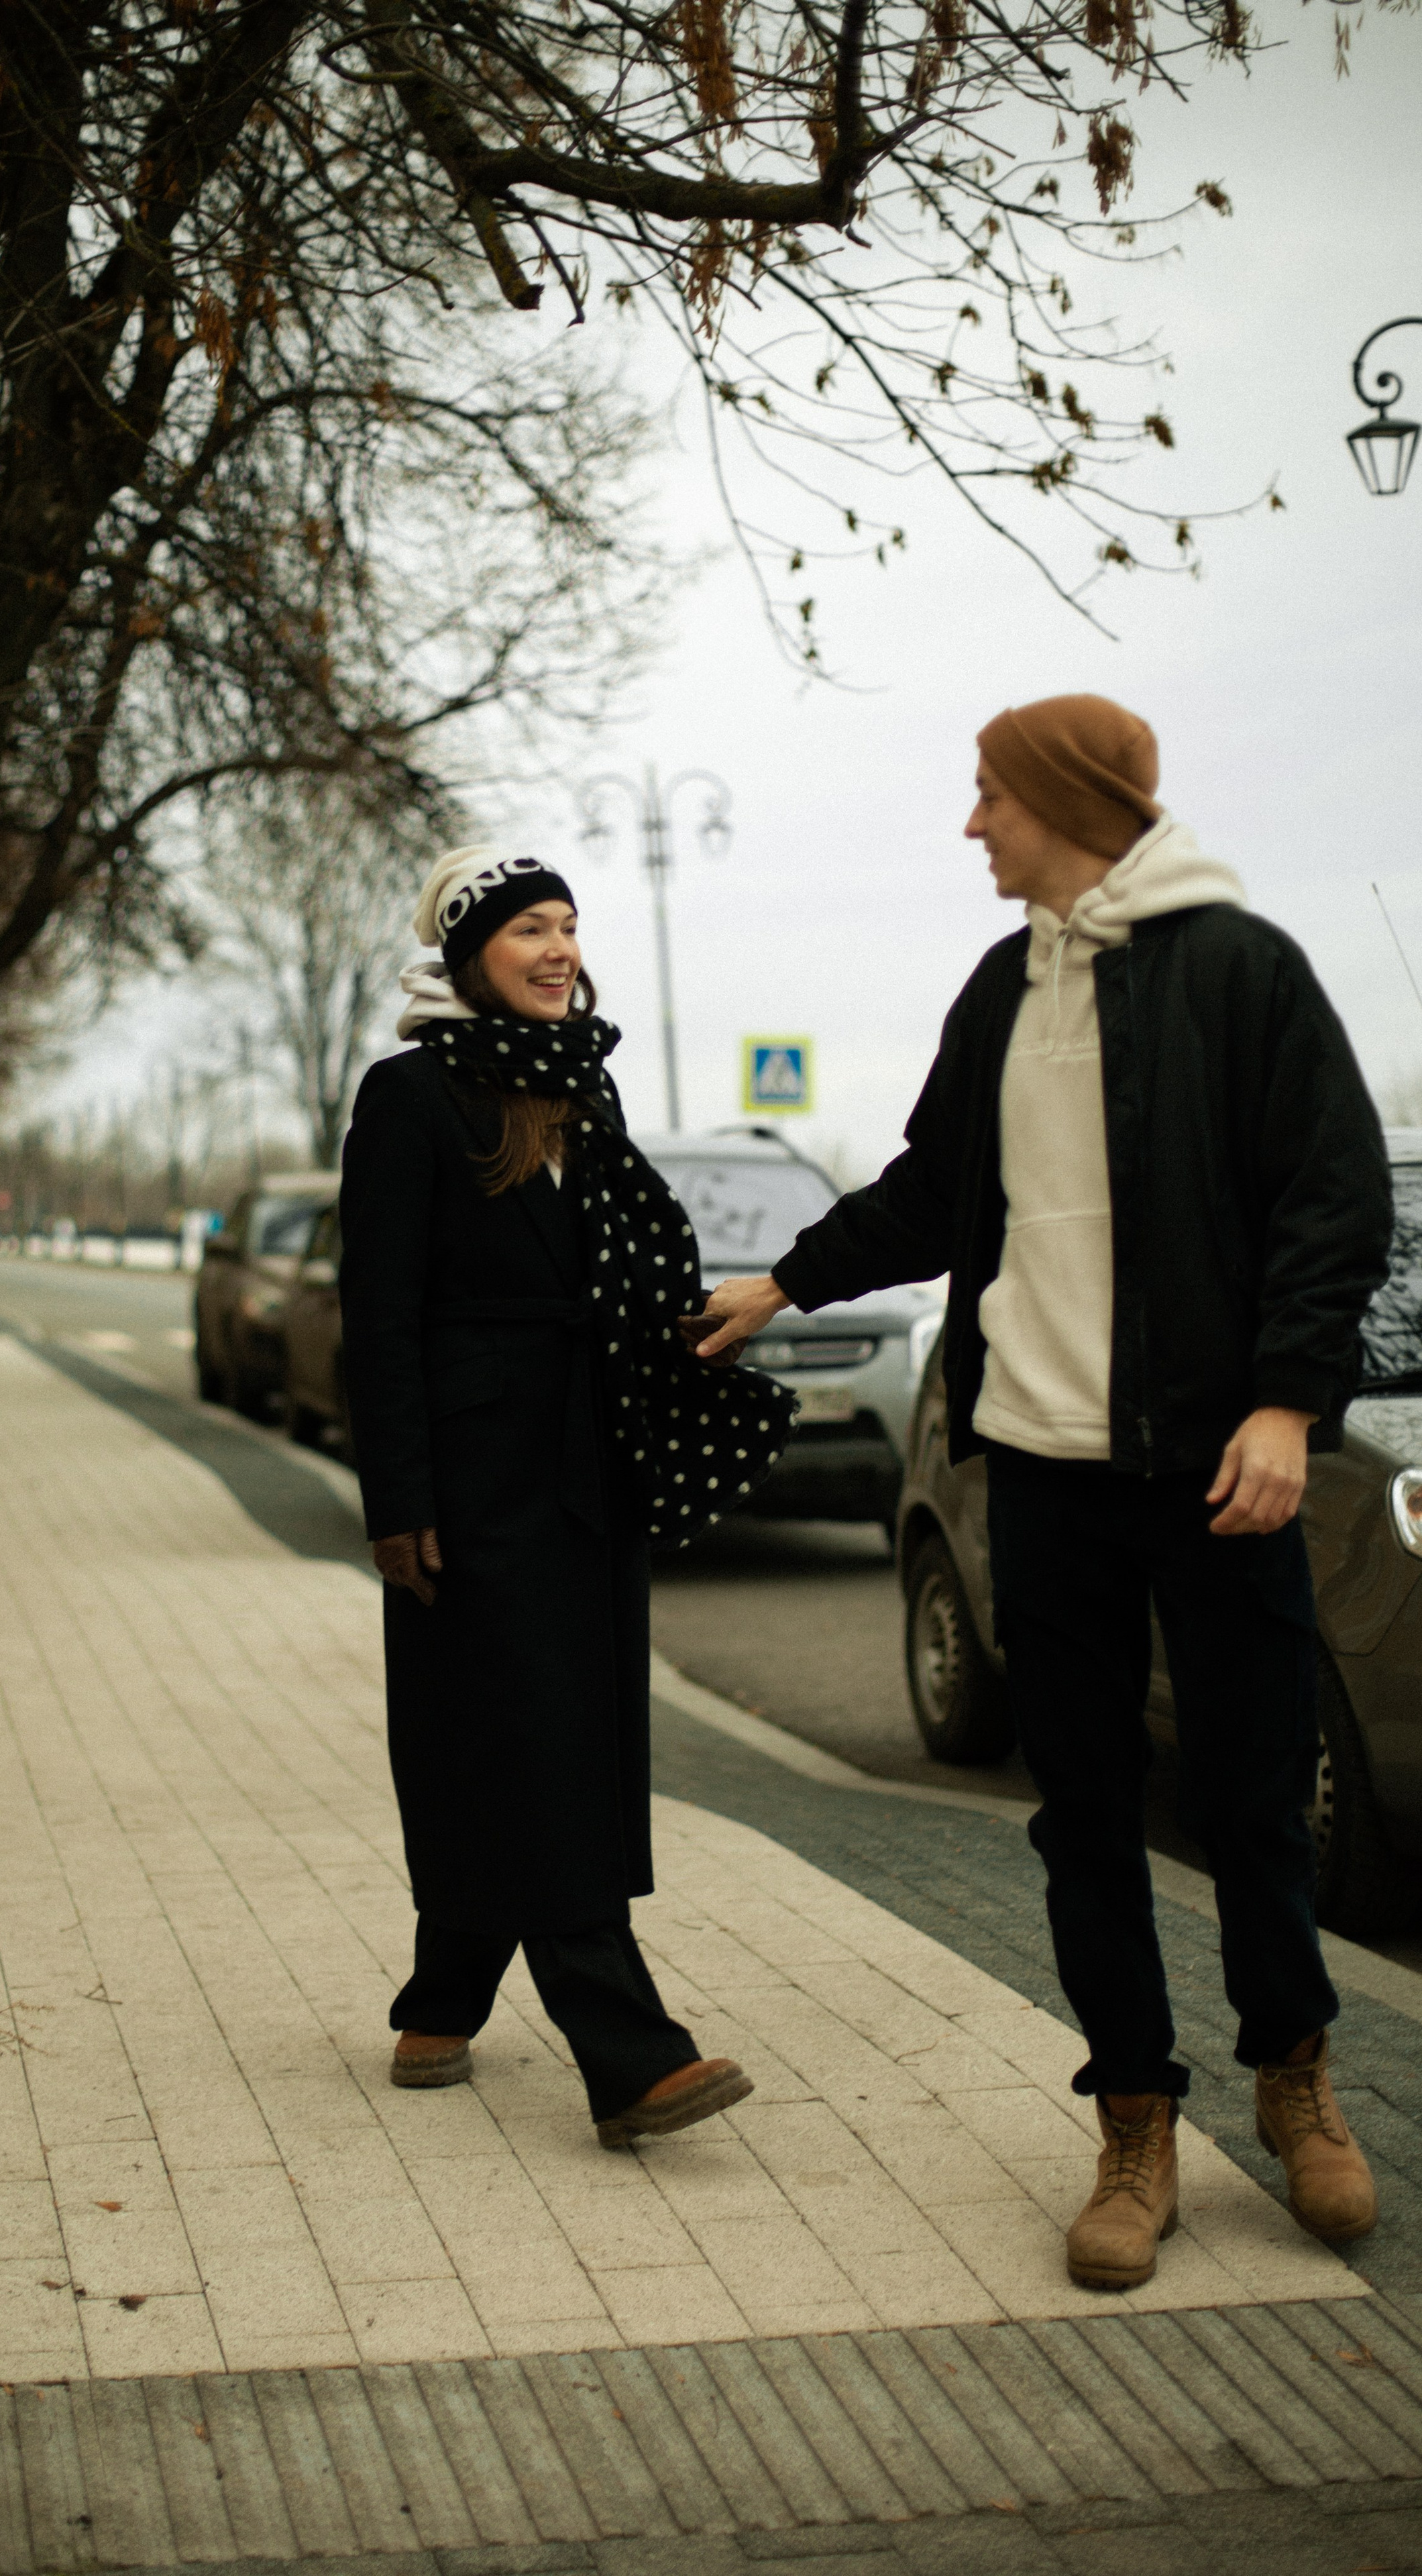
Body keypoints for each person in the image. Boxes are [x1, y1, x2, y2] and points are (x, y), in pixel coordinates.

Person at [694, 696, 1392, 2289]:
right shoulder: (1002, 989)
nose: (970, 826)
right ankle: (1133, 2123)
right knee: (1080, 1812)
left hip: (1219, 1475)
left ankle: (1294, 2087)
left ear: (1067, 800)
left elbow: (1330, 1203)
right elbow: (934, 1193)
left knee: (1246, 1799)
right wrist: (782, 1283)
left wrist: (1286, 1406)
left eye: (987, 797)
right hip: (1044, 1475)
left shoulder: (1240, 971)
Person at [339, 847, 792, 2147]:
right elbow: (379, 1314)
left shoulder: (579, 1086)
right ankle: (628, 2052)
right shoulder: (409, 1095)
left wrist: (707, 1326)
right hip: (472, 1481)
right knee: (528, 1744)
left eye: (567, 927)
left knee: (550, 1739)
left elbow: (611, 1279)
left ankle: (442, 1993)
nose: (555, 949)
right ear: (468, 953)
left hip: (588, 1465)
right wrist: (397, 1498)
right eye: (526, 929)